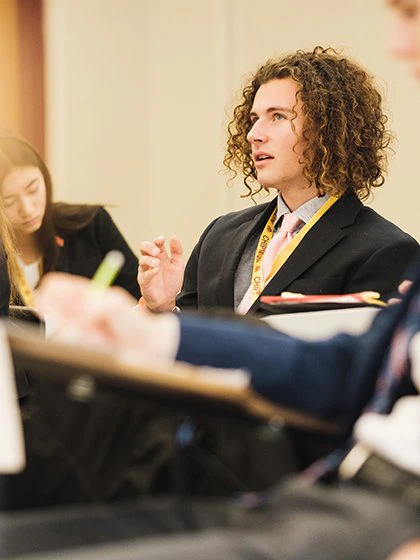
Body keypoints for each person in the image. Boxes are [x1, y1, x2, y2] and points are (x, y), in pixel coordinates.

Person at [138, 47, 418, 315]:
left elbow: (360, 360)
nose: (253, 134)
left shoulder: (385, 251)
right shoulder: (220, 235)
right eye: (254, 119)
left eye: (278, 117)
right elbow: (186, 343)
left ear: (327, 129)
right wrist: (162, 309)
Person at [0, 133, 140, 305]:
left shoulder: (91, 225)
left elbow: (139, 296)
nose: (27, 209)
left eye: (33, 189)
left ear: (45, 178)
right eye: (9, 201)